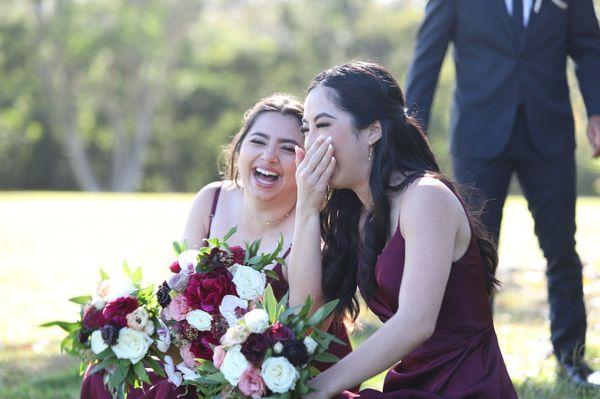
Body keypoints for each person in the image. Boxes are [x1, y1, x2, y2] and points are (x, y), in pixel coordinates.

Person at [80, 93, 353, 398]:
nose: (270, 156)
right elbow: (175, 298)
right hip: (205, 354)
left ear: (308, 161)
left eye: (288, 148)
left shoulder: (315, 230)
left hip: (284, 364)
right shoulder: (211, 199)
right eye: (259, 141)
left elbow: (305, 329)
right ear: (239, 148)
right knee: (106, 375)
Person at [288, 61, 516, 398]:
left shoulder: (425, 198)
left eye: (323, 124)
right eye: (306, 129)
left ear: (373, 131)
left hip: (464, 387)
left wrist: (320, 388)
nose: (312, 142)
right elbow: (305, 318)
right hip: (410, 383)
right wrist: (306, 210)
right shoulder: (357, 213)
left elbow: (416, 323)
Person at [404, 0, 600, 388]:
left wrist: (597, 111)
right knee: (474, 255)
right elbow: (428, 55)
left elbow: (590, 48)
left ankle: (573, 359)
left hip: (549, 135)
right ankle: (472, 362)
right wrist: (410, 136)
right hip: (479, 136)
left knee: (561, 247)